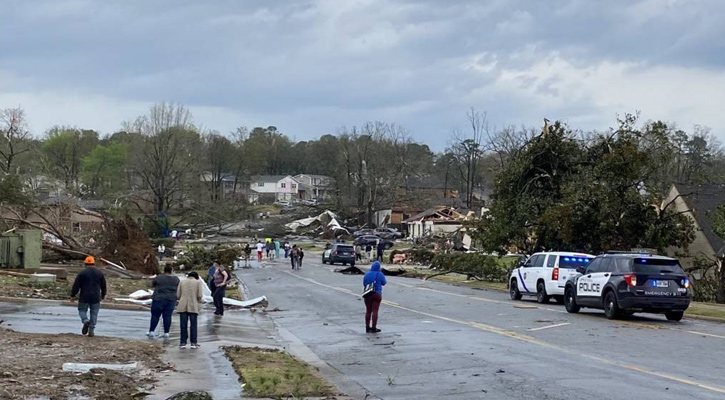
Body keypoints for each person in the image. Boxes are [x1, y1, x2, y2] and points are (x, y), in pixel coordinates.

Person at [70, 256, 107, 337]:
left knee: (82, 310)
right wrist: (103, 294)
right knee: (94, 313)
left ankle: (85, 320)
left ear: (85, 264)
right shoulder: (99, 273)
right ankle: (91, 330)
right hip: (95, 296)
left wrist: (72, 295)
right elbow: (103, 285)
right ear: (94, 264)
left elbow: (76, 285)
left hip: (84, 296)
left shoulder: (82, 273)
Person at [147, 265, 180, 339]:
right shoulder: (176, 279)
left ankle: (151, 331)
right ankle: (166, 333)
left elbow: (152, 285)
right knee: (167, 316)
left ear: (164, 270)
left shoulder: (159, 277)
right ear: (171, 270)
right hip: (171, 299)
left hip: (158, 298)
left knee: (155, 315)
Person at [177, 271, 203, 349]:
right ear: (196, 277)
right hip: (193, 305)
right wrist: (197, 301)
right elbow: (200, 295)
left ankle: (183, 342)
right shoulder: (198, 282)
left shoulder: (182, 282)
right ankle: (193, 343)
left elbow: (178, 295)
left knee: (183, 325)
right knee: (193, 325)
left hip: (182, 305)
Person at [363, 261, 386, 333]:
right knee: (375, 311)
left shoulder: (367, 274)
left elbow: (364, 283)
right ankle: (373, 327)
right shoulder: (380, 274)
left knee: (368, 311)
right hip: (377, 293)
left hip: (368, 294)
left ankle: (367, 327)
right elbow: (384, 283)